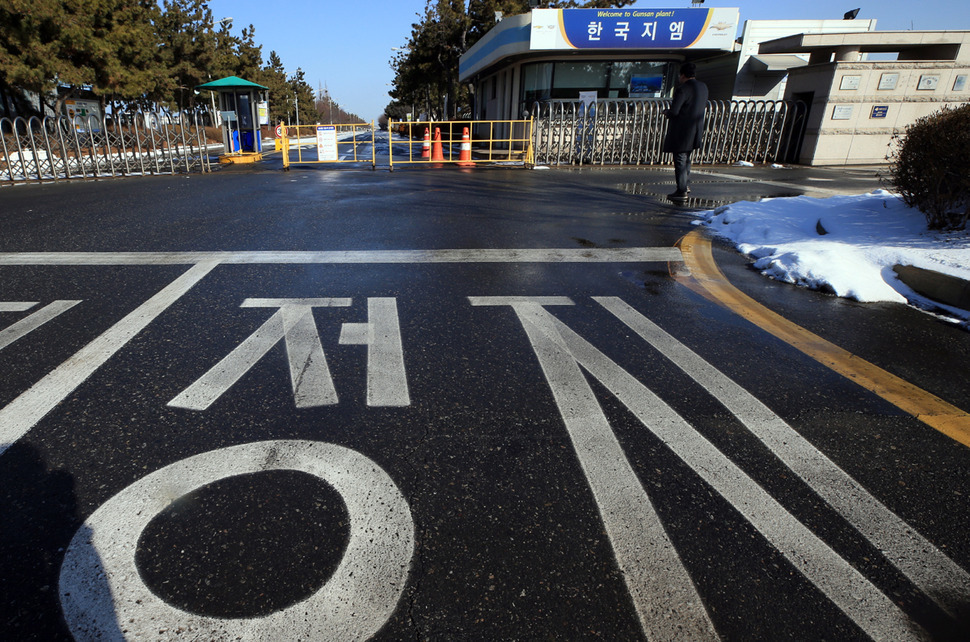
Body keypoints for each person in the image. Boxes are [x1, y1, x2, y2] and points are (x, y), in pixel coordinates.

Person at [663, 62, 708, 202]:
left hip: (682, 130)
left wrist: (667, 112)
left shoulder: (683, 89)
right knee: (687, 158)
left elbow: (675, 111)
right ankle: (685, 185)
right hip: (696, 129)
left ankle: (681, 190)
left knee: (680, 160)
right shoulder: (703, 87)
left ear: (682, 75)